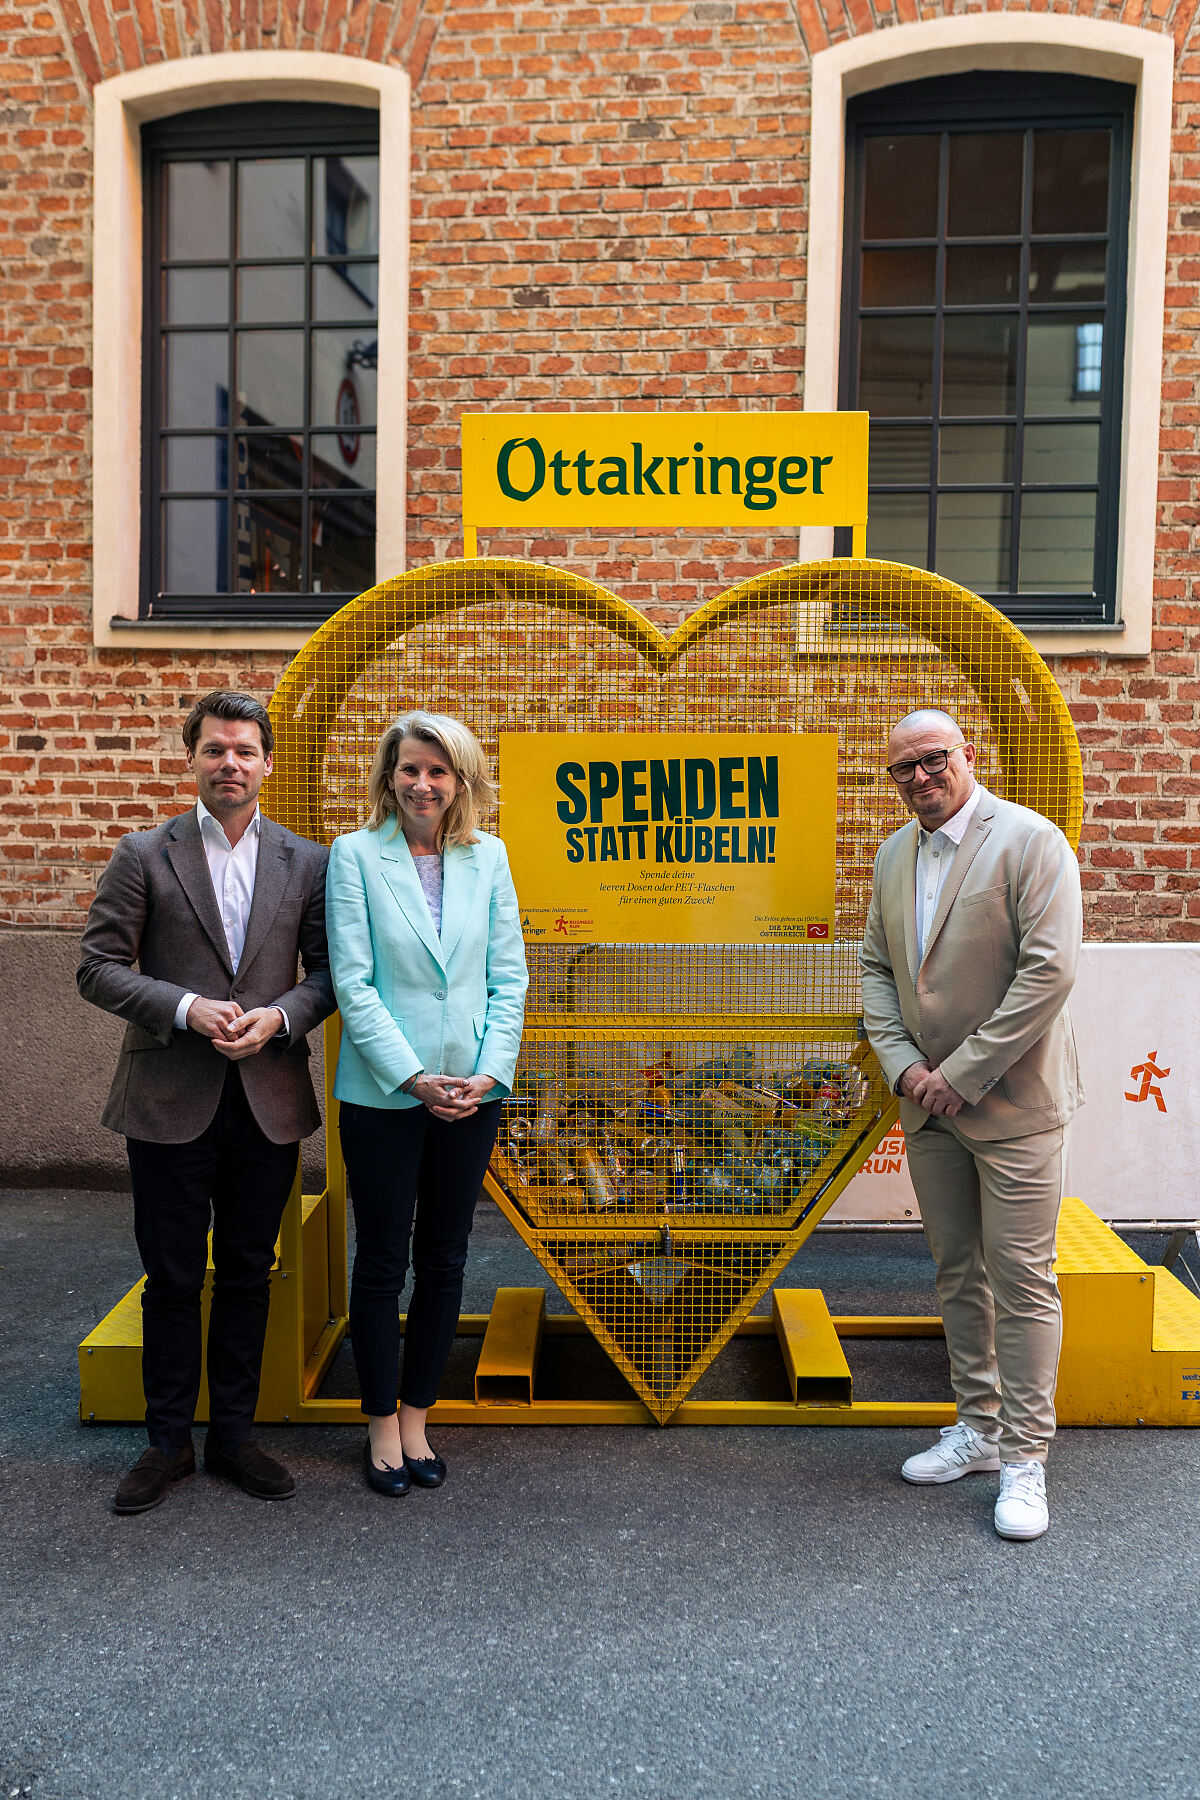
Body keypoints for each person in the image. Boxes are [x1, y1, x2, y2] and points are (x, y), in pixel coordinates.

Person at [77, 691, 335, 1514]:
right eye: (215, 750)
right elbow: (96, 967)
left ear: (268, 763)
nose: (231, 763)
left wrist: (282, 1015)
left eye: (245, 750)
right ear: (192, 759)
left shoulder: (307, 861)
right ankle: (165, 1445)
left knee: (252, 1272)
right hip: (168, 1095)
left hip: (267, 1098)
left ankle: (233, 1435)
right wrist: (187, 1008)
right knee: (172, 1276)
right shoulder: (143, 854)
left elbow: (331, 974)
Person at [859, 709, 1083, 1541]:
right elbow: (878, 969)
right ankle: (980, 1431)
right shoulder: (891, 855)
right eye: (902, 768)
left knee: (1022, 1281)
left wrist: (960, 1073)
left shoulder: (1029, 842)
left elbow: (1050, 973)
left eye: (932, 759)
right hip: (928, 1108)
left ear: (967, 756)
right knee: (957, 1272)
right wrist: (904, 1068)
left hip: (1014, 1106)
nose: (919, 777)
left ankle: (1027, 1458)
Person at [326, 711, 528, 1496]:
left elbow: (507, 978)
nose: (422, 784)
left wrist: (487, 1074)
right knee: (381, 1260)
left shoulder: (489, 858)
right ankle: (379, 1423)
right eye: (410, 769)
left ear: (461, 781)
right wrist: (413, 1078)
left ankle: (417, 1415)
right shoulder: (354, 856)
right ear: (389, 776)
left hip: (472, 1093)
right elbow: (353, 981)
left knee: (445, 1258)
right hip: (384, 1094)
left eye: (438, 771)